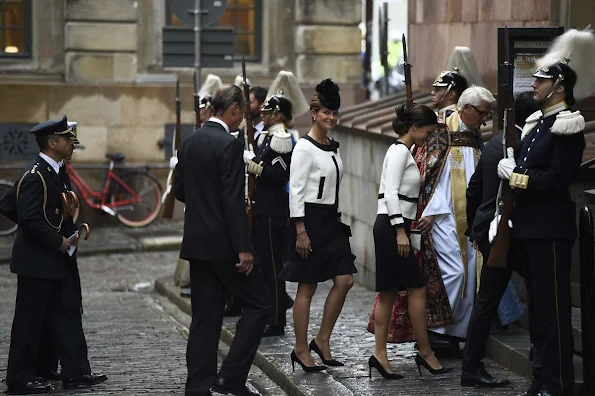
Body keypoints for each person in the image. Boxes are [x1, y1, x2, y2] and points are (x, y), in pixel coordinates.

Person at [497, 27, 595, 396]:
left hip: (550, 230)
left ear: (558, 86)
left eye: (540, 79)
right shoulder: (540, 125)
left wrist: (516, 177)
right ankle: (542, 378)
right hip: (529, 227)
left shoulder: (566, 125)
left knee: (553, 312)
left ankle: (556, 383)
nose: (533, 84)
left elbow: (555, 180)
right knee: (538, 311)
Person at [174, 84, 269, 396]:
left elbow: (180, 192)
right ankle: (230, 376)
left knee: (205, 317)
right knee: (260, 302)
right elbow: (231, 200)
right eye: (240, 114)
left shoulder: (189, 142)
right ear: (234, 110)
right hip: (226, 246)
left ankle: (198, 387)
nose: (241, 120)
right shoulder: (228, 145)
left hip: (198, 244)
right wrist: (243, 247)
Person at [5, 116, 107, 394]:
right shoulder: (36, 174)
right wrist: (56, 241)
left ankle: (74, 372)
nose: (72, 144)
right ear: (52, 143)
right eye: (66, 139)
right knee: (30, 320)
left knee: (67, 313)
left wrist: (66, 238)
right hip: (37, 261)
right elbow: (23, 215)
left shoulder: (57, 170)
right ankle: (20, 379)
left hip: (58, 259)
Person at [460, 91, 539, 388]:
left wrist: (476, 229)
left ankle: (471, 365)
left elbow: (473, 190)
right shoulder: (522, 145)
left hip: (490, 230)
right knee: (538, 291)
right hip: (511, 232)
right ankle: (539, 351)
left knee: (486, 301)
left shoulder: (494, 144)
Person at [370, 102, 453, 380]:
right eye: (426, 133)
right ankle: (425, 353)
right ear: (414, 127)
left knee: (390, 292)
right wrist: (400, 231)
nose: (427, 138)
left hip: (395, 226)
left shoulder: (404, 151)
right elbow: (390, 194)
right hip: (394, 227)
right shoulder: (398, 152)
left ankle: (381, 356)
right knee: (415, 289)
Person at [279, 78, 356, 372]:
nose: (331, 118)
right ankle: (300, 349)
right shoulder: (304, 149)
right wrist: (300, 231)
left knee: (345, 279)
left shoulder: (332, 147)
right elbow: (296, 191)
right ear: (314, 113)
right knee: (307, 286)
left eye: (335, 113)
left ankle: (322, 339)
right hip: (308, 221)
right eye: (326, 112)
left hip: (330, 221)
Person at [418, 86, 496, 355]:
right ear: (466, 109)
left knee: (471, 272)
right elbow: (429, 171)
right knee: (454, 271)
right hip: (442, 213)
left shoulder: (474, 133)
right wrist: (430, 208)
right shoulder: (440, 129)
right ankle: (433, 331)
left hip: (469, 214)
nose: (485, 120)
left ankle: (453, 335)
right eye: (482, 113)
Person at [243, 71, 309, 337]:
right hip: (262, 209)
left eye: (268, 111)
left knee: (272, 268)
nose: (263, 114)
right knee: (263, 265)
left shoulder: (280, 138)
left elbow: (277, 175)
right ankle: (269, 312)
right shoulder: (267, 136)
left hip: (272, 212)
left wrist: (253, 167)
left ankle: (276, 319)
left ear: (279, 115)